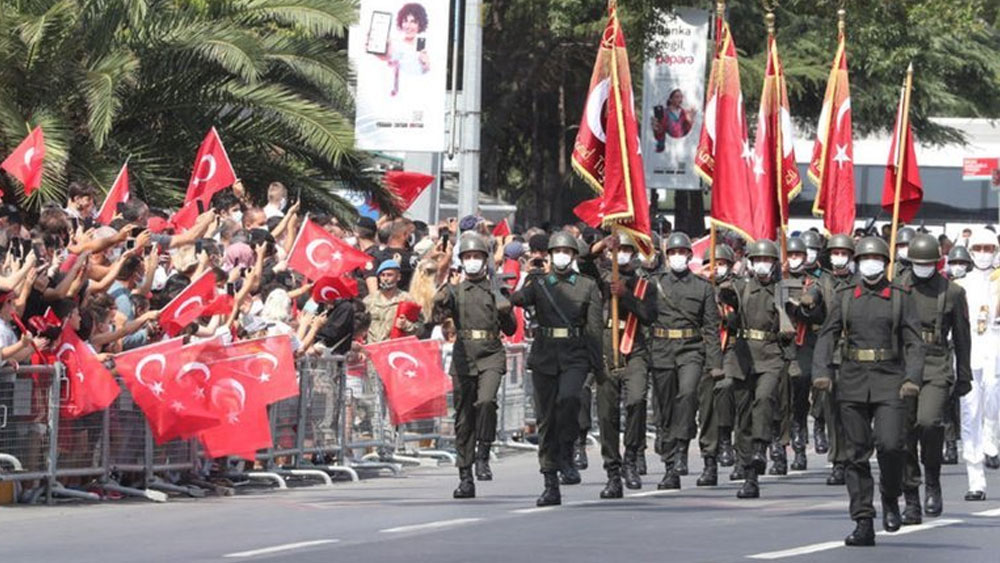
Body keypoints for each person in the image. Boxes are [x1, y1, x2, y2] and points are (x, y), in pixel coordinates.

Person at [812, 236, 924, 547]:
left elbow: (915, 343)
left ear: (885, 263)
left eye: (875, 258)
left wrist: (912, 378)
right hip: (852, 380)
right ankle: (863, 520)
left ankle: (890, 495)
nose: (870, 263)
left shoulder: (901, 296)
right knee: (855, 454)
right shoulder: (845, 296)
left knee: (890, 445)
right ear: (857, 263)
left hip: (890, 379)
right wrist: (821, 372)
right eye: (864, 258)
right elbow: (826, 336)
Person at [510, 231, 603, 507]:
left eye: (567, 251)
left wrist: (598, 366)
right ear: (549, 256)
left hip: (575, 355)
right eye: (557, 251)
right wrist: (519, 284)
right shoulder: (540, 284)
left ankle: (568, 449)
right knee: (546, 419)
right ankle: (550, 480)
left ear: (573, 256)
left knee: (570, 399)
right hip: (545, 356)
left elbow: (594, 328)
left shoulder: (586, 286)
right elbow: (518, 299)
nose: (562, 255)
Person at [433, 234, 516, 498]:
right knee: (464, 417)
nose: (472, 261)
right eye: (467, 257)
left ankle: (484, 451)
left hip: (491, 353)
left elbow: (511, 328)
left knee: (486, 402)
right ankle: (465, 476)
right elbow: (436, 314)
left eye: (476, 257)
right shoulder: (456, 291)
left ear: (485, 260)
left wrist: (505, 309)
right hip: (464, 355)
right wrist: (443, 287)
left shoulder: (496, 289)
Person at [897, 234, 972, 524]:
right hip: (904, 365)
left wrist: (963, 374)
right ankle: (912, 498)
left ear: (937, 263)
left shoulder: (952, 292)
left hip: (936, 363)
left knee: (929, 422)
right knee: (904, 434)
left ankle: (932, 479)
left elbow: (963, 338)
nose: (923, 267)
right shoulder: (900, 288)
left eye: (928, 263)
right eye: (918, 263)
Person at [717, 239, 790, 499]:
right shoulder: (742, 286)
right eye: (757, 260)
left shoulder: (781, 290)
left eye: (767, 260)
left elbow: (789, 330)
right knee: (744, 417)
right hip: (743, 356)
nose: (762, 264)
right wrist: (726, 297)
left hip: (770, 355)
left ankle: (762, 446)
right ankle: (749, 475)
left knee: (764, 398)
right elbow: (728, 300)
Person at [649, 233, 722, 490]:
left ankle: (682, 447)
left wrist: (715, 363)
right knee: (666, 408)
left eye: (682, 252)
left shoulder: (702, 287)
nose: (677, 257)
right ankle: (670, 466)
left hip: (691, 350)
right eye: (673, 253)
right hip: (661, 350)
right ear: (667, 257)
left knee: (688, 395)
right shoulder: (654, 284)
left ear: (690, 256)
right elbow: (642, 314)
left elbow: (711, 328)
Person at [595, 233, 656, 498]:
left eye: (627, 250)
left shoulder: (645, 285)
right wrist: (601, 245)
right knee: (607, 413)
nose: (621, 255)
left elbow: (649, 315)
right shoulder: (602, 280)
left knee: (636, 400)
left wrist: (626, 296)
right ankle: (612, 470)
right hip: (607, 348)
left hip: (635, 349)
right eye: (618, 250)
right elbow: (585, 262)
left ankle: (632, 456)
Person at [955, 229, 1000, 501]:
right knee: (970, 414)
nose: (985, 253)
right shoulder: (960, 286)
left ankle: (992, 439)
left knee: (994, 406)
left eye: (990, 248)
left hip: (997, 354)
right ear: (971, 252)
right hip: (969, 355)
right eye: (980, 248)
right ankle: (976, 479)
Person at [809, 233, 857, 486]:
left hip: (858, 355)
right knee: (834, 411)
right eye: (835, 253)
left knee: (857, 411)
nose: (839, 258)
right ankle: (839, 461)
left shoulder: (862, 282)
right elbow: (813, 300)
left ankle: (857, 457)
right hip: (832, 354)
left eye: (844, 254)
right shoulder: (823, 282)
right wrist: (808, 304)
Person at [696, 244, 737, 476]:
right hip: (704, 348)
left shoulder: (736, 286)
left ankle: (725, 437)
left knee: (725, 386)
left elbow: (736, 319)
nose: (717, 268)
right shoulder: (700, 287)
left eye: (721, 264)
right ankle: (709, 452)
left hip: (730, 346)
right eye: (713, 264)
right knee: (706, 401)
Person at [362, 260, 423, 343]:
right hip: (373, 347)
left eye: (389, 275)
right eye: (383, 275)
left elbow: (421, 329)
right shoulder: (369, 301)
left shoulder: (407, 300)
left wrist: (406, 325)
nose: (385, 279)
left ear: (398, 277)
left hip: (395, 347)